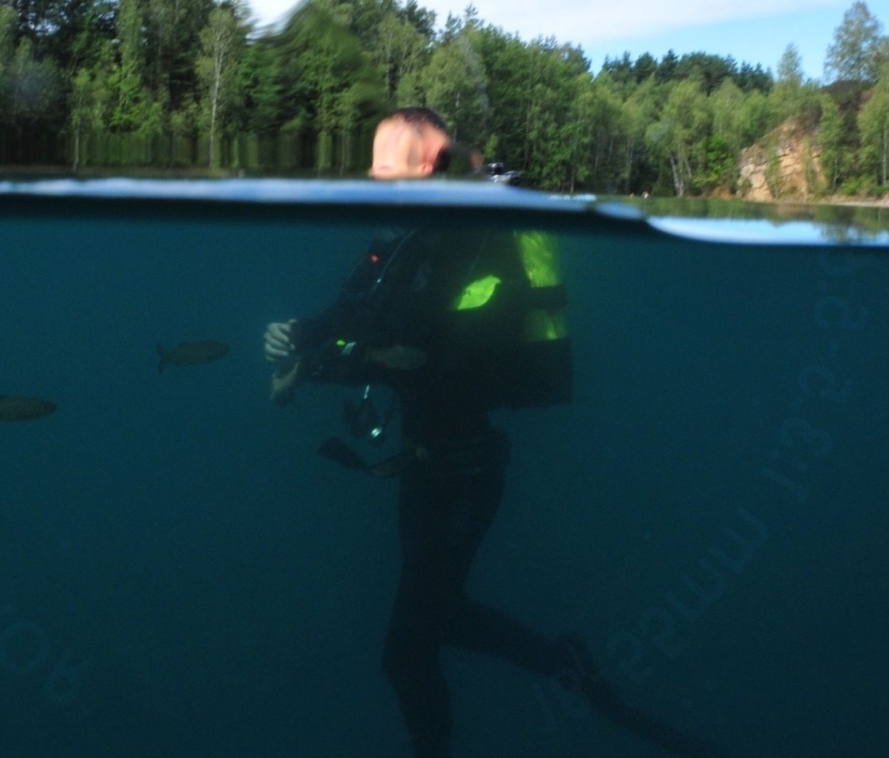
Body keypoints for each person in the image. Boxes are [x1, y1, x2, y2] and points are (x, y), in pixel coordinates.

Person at [265, 109, 716, 758]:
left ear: (426, 165)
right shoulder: (410, 238)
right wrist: (301, 337)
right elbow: (363, 313)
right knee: (430, 627)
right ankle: (567, 665)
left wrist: (312, 366)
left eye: (381, 165)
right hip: (428, 470)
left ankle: (561, 674)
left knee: (409, 646)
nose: (368, 177)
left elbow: (421, 355)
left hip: (463, 475)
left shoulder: (465, 236)